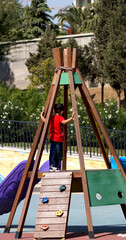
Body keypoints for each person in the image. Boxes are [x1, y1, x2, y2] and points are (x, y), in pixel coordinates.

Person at [41, 103, 75, 171]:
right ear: (61, 111)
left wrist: (41, 116)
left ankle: (51, 166)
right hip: (58, 139)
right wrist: (71, 118)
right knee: (58, 153)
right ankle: (56, 166)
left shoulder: (51, 117)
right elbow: (64, 122)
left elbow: (44, 121)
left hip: (52, 138)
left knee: (52, 152)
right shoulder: (60, 117)